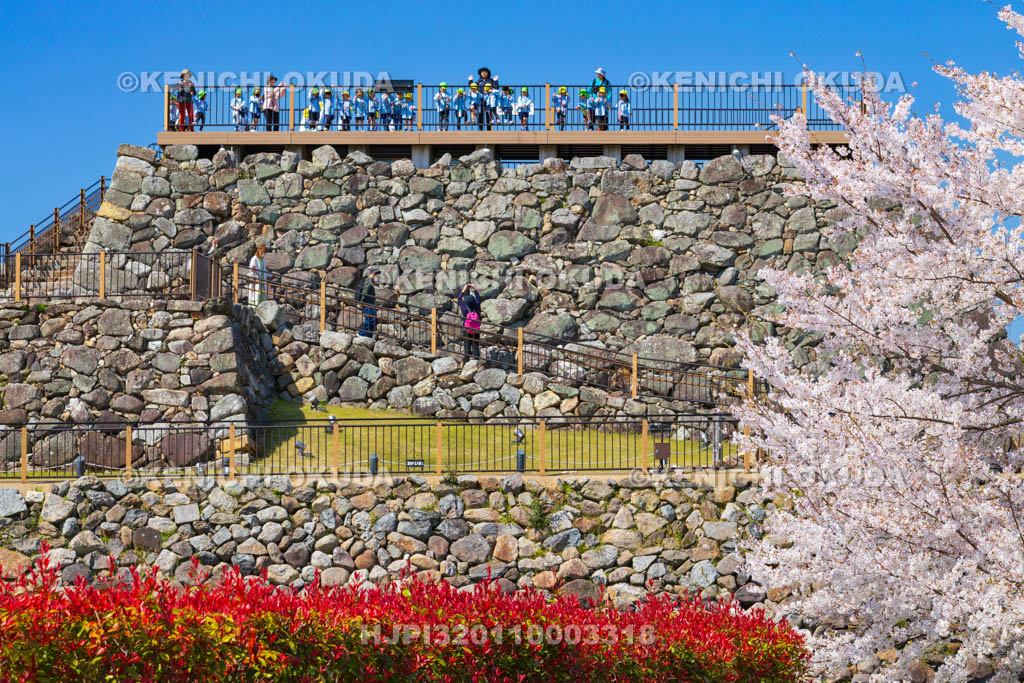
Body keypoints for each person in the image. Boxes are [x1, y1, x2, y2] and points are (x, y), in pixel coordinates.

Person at [458, 283, 482, 359]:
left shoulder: (464, 308)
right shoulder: (477, 307)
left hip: (467, 330)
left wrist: (464, 289)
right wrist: (474, 289)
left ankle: (466, 362)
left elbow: (459, 298)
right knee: (475, 347)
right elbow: (478, 298)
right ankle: (476, 363)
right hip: (476, 330)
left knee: (467, 348)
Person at [357, 269, 381, 338]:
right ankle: (361, 333)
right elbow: (365, 291)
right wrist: (362, 301)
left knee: (372, 320)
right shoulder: (368, 280)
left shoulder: (370, 281)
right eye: (376, 274)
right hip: (368, 304)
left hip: (370, 303)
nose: (377, 276)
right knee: (370, 320)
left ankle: (368, 335)